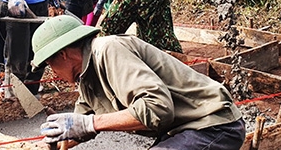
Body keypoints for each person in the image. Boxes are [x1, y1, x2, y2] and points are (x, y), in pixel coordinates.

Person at [31, 15, 245, 150]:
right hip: (183, 131)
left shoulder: (109, 49)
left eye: (51, 64)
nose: (54, 73)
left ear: (64, 55)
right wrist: (56, 140)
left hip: (213, 125)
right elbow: (80, 123)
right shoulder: (86, 78)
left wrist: (91, 124)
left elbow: (157, 109)